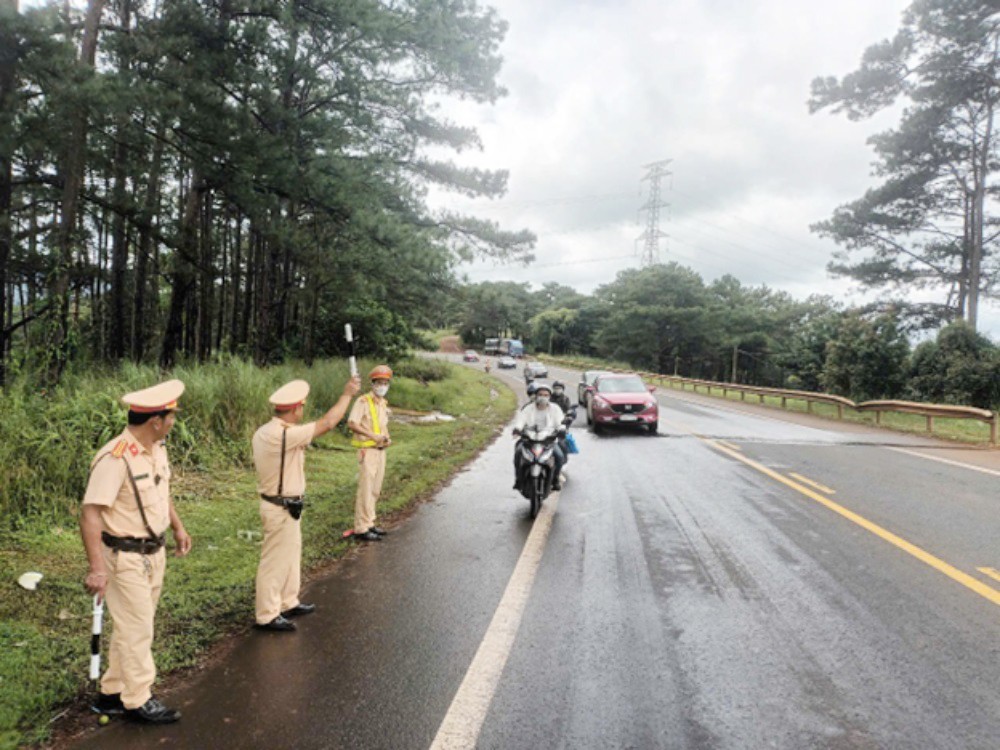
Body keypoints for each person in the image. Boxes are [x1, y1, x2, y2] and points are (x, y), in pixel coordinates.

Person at [80, 379, 191, 724]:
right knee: (138, 628)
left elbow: (161, 493)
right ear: (155, 421)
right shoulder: (116, 458)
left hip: (153, 553)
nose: (174, 421)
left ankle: (112, 690)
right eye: (171, 416)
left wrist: (177, 526)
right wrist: (97, 569)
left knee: (132, 626)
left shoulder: (157, 449)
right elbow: (90, 513)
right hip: (124, 558)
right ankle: (138, 698)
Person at [252, 375, 361, 632]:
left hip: (288, 506)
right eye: (301, 406)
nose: (303, 410)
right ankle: (267, 614)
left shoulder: (273, 431)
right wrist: (347, 394)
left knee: (290, 557)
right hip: (279, 507)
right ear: (294, 408)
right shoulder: (279, 434)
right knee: (274, 562)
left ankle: (288, 602)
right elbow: (329, 422)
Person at [348, 365, 394, 542]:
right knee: (365, 490)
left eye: (385, 383)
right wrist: (372, 436)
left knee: (375, 490)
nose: (382, 386)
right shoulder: (363, 401)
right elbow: (352, 423)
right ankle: (361, 528)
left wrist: (386, 438)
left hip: (381, 451)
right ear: (373, 384)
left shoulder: (382, 404)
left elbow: (382, 426)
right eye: (379, 382)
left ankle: (370, 523)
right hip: (367, 451)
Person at [512, 383, 566, 491]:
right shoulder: (528, 408)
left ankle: (555, 479)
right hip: (529, 439)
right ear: (536, 396)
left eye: (546, 395)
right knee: (518, 453)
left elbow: (560, 422)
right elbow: (521, 420)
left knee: (559, 456)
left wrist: (561, 429)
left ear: (549, 396)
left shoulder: (555, 409)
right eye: (540, 394)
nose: (543, 397)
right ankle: (518, 479)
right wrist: (517, 429)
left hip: (548, 440)